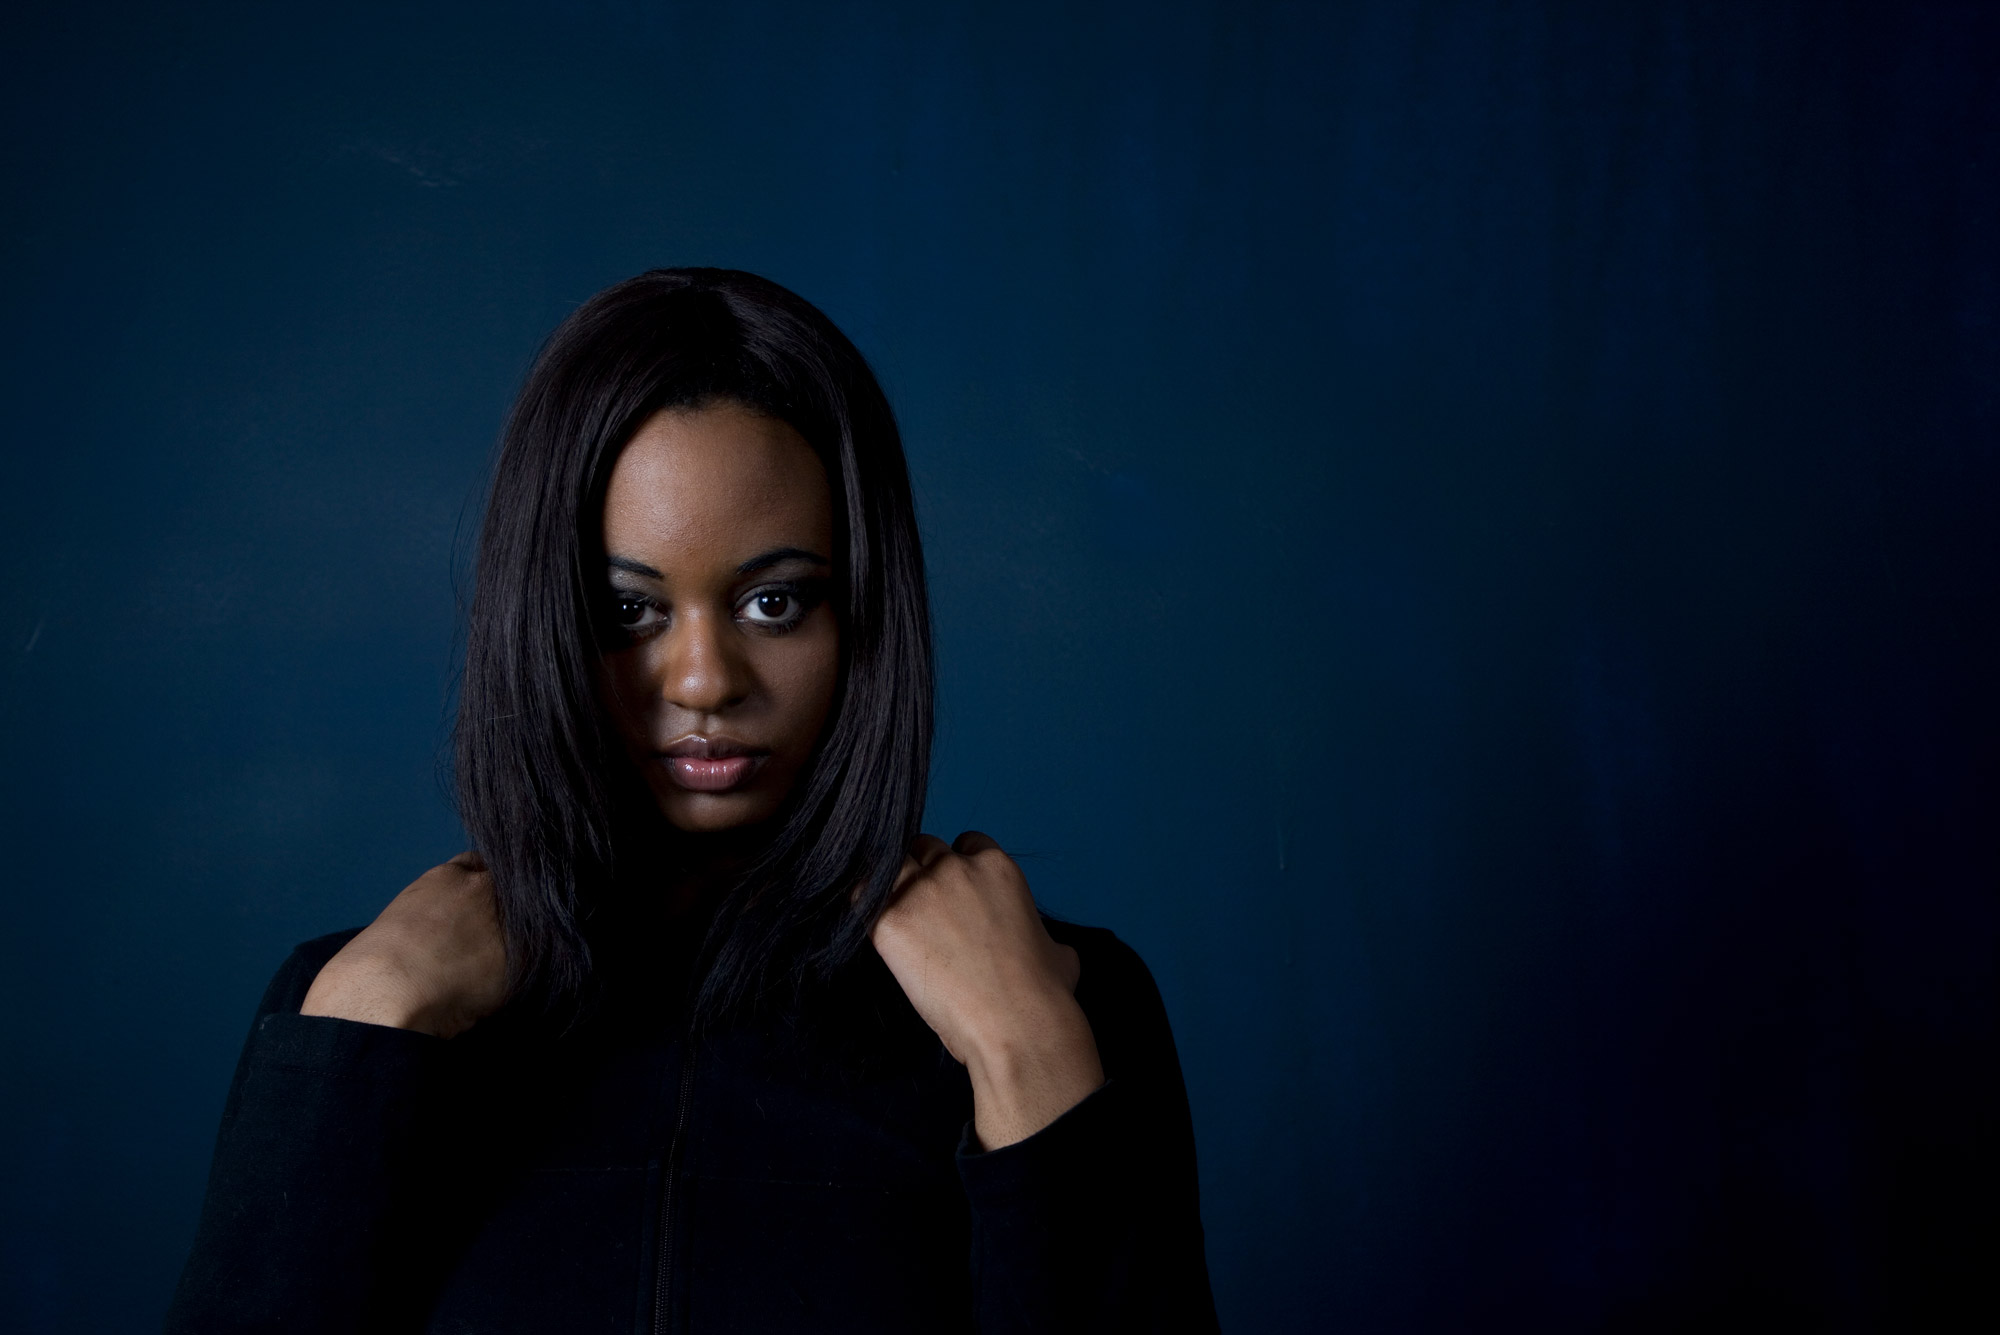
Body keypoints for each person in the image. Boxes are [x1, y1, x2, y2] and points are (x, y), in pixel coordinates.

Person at [165, 268, 1217, 1334]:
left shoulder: (1067, 1001)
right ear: (544, 621)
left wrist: (1024, 1050)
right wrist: (362, 1032)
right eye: (628, 609)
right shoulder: (353, 1008)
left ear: (859, 616)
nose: (705, 681)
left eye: (773, 602)